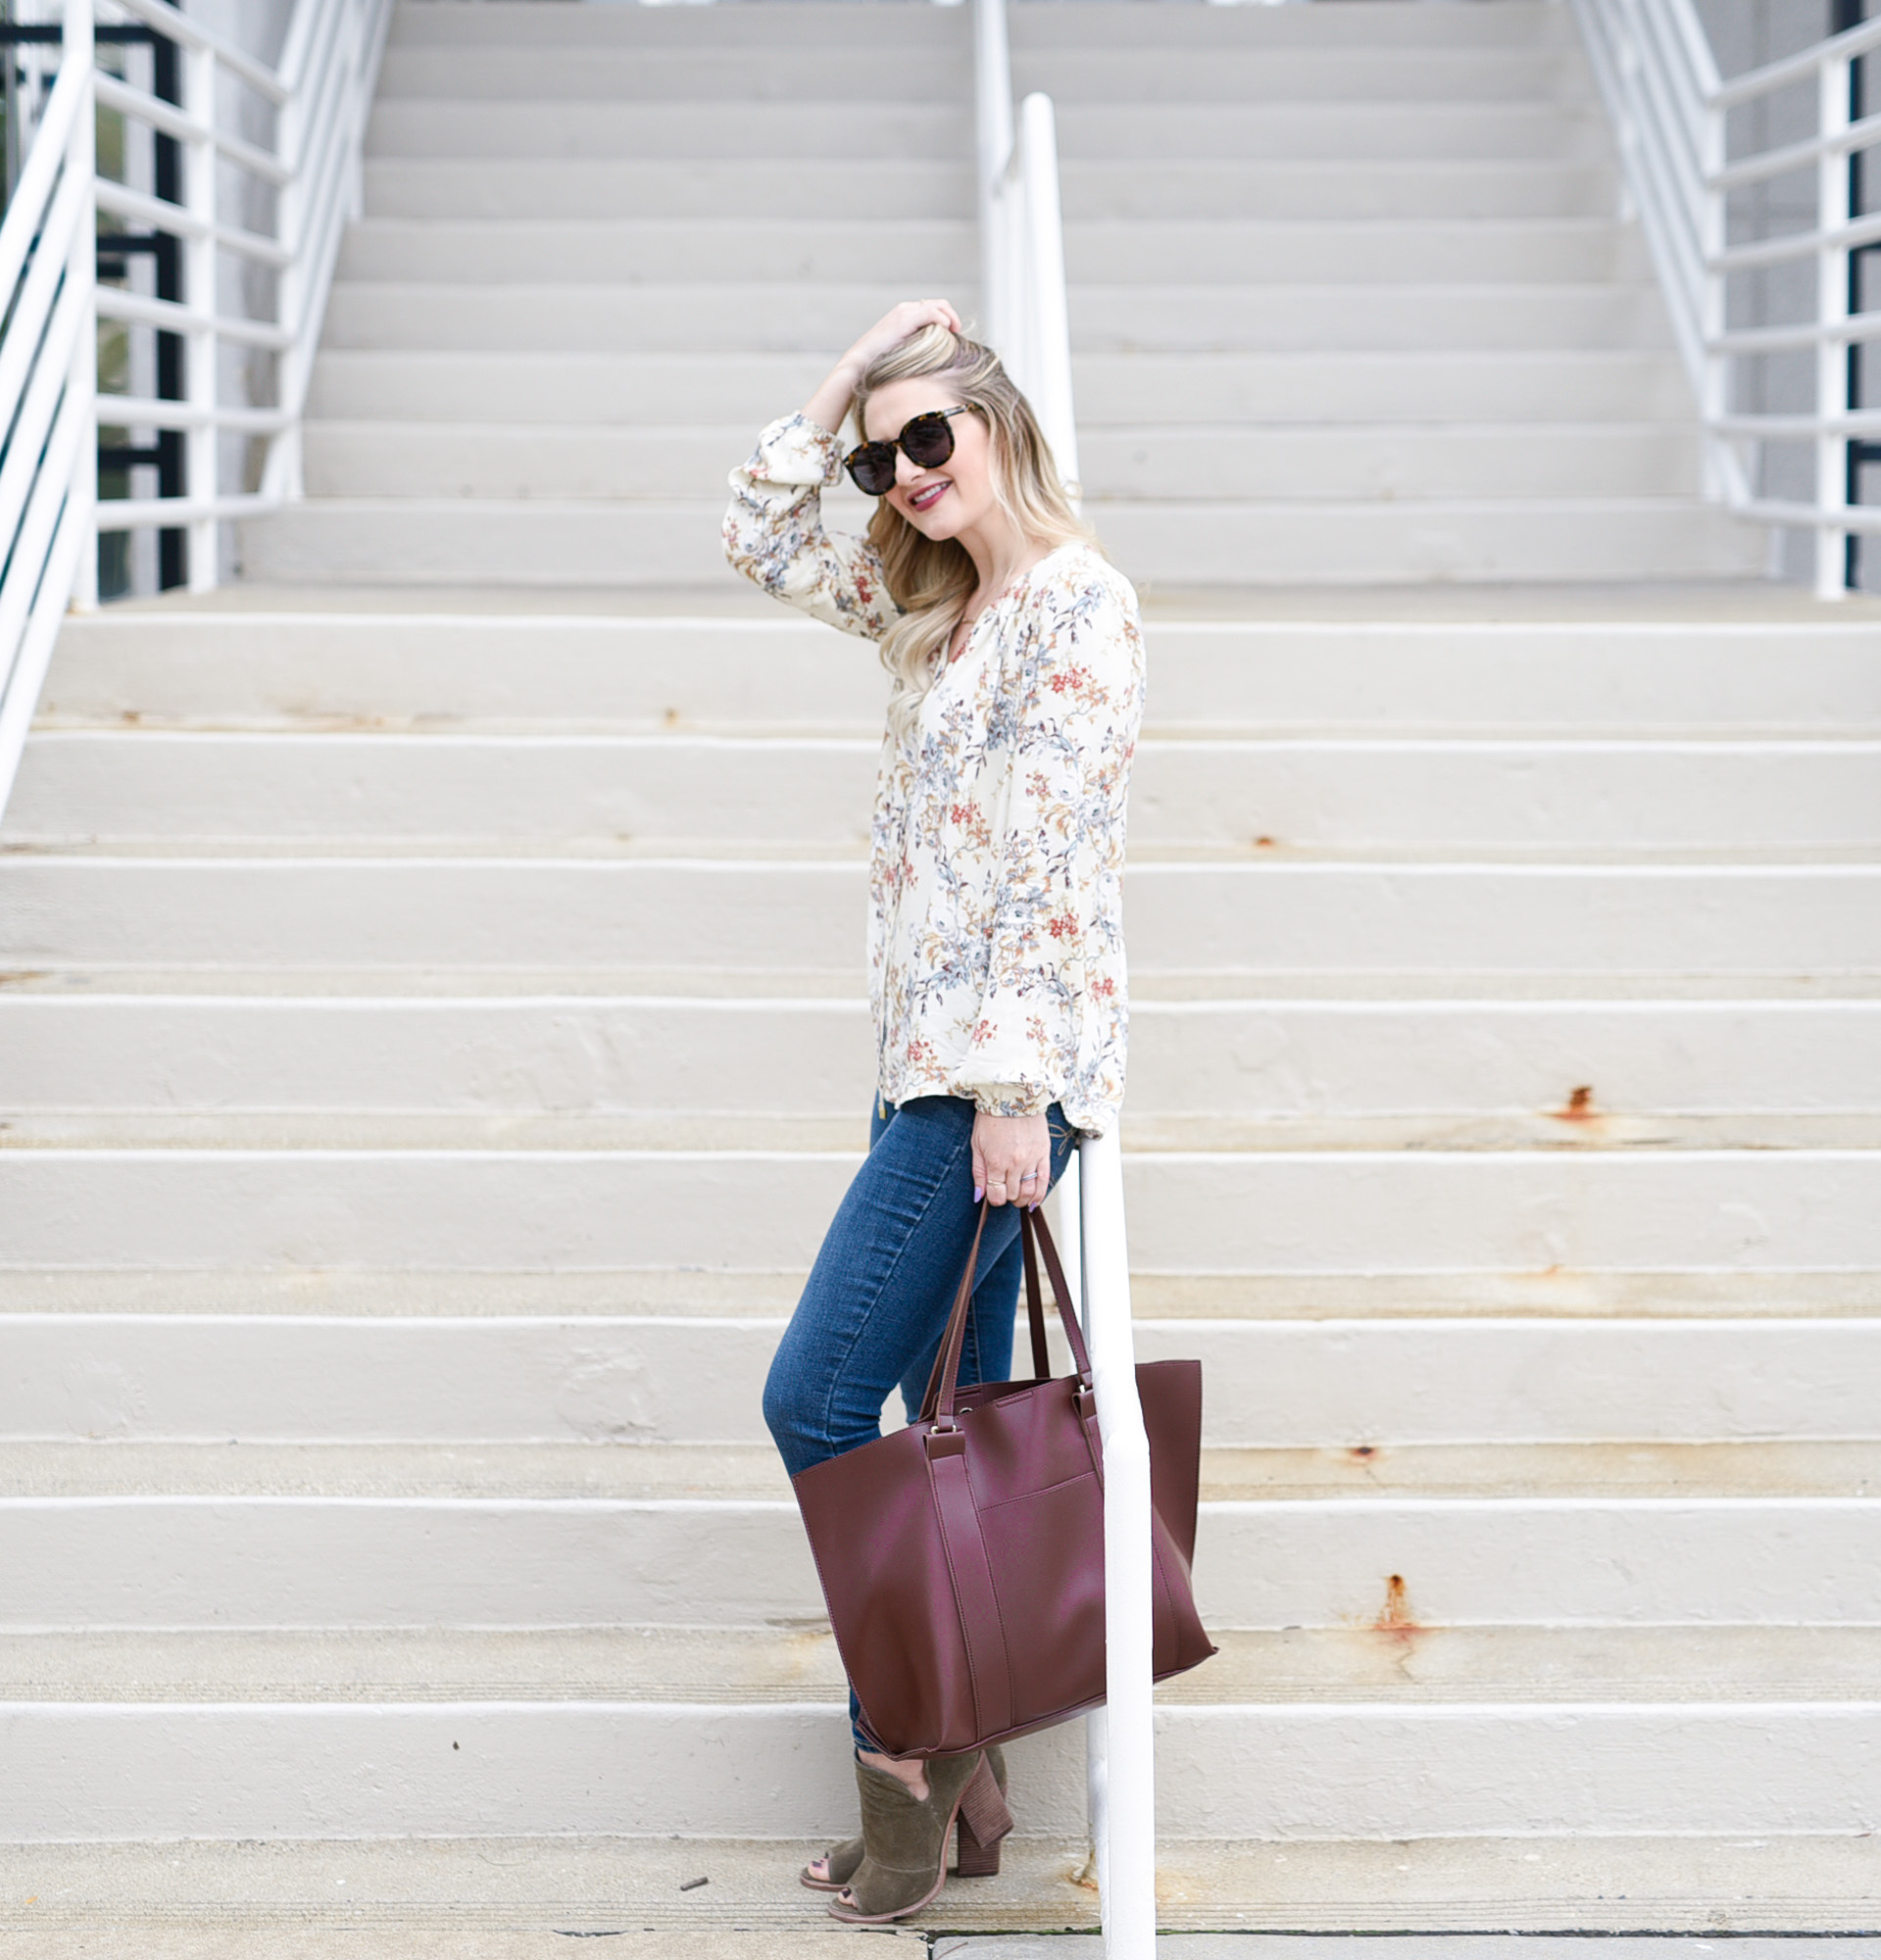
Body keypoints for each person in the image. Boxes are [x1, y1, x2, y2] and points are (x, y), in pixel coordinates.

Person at [721, 300, 1146, 1925]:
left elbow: (1058, 862)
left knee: (820, 1403)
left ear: (1001, 430)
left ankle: (905, 1759)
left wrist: (1015, 1094)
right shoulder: (938, 614)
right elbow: (759, 536)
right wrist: (840, 377)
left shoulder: (1073, 611)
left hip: (988, 1091)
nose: (902, 473)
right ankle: (953, 1778)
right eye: (879, 449)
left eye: (930, 437)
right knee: (942, 1445)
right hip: (932, 1076)